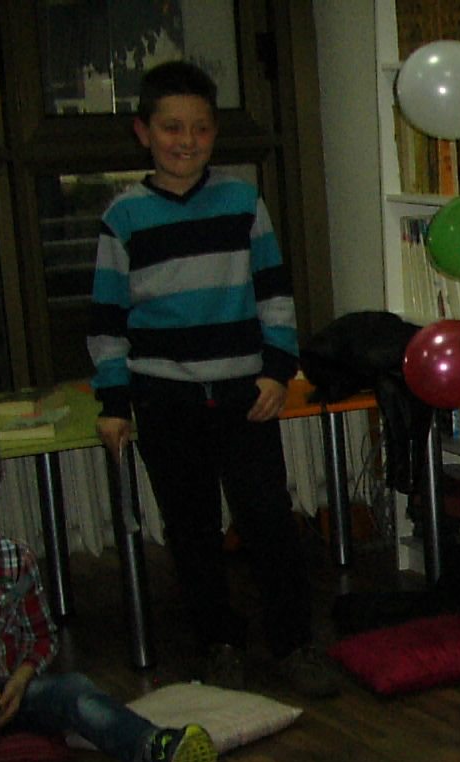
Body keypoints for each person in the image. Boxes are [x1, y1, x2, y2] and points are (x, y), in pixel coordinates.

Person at [86, 60, 340, 699]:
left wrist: (277, 371)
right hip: (163, 396)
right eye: (172, 128)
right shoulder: (123, 217)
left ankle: (293, 642)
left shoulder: (242, 202)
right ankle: (219, 642)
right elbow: (107, 321)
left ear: (214, 133)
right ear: (144, 132)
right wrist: (114, 400)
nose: (187, 141)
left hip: (243, 394)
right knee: (191, 530)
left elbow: (274, 294)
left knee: (269, 522)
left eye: (200, 128)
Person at [0, 445, 217, 762]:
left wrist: (19, 683)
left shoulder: (15, 560)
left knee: (74, 690)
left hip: (4, 695)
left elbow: (42, 637)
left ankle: (157, 749)